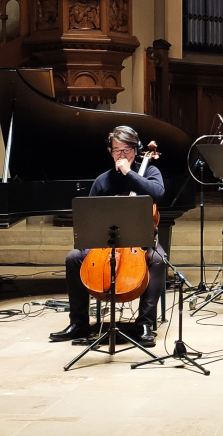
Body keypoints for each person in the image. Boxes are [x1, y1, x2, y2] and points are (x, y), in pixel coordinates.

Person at [50, 125, 167, 347]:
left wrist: (129, 173)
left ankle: (145, 324)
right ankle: (79, 324)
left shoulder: (150, 172)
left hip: (140, 242)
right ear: (110, 152)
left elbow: (158, 193)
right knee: (73, 257)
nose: (122, 155)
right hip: (105, 243)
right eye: (117, 151)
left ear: (136, 149)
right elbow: (90, 219)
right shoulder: (102, 180)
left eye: (127, 150)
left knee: (158, 259)